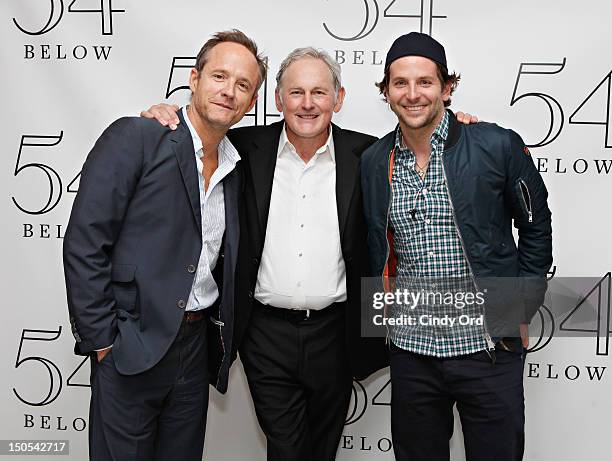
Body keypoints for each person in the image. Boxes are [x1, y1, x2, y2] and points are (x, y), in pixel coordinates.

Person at [63, 29, 266, 461]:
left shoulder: (235, 166)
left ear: (251, 104)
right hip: (130, 346)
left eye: (243, 85)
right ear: (194, 79)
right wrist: (104, 341)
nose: (229, 91)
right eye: (220, 76)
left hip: (195, 351)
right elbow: (85, 243)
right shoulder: (138, 137)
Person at [360, 32, 553, 461]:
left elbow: (536, 225)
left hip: (488, 350)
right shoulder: (374, 161)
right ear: (386, 91)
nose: (413, 95)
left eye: (425, 82)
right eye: (400, 83)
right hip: (412, 353)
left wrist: (519, 305)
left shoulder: (494, 144)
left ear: (446, 88)